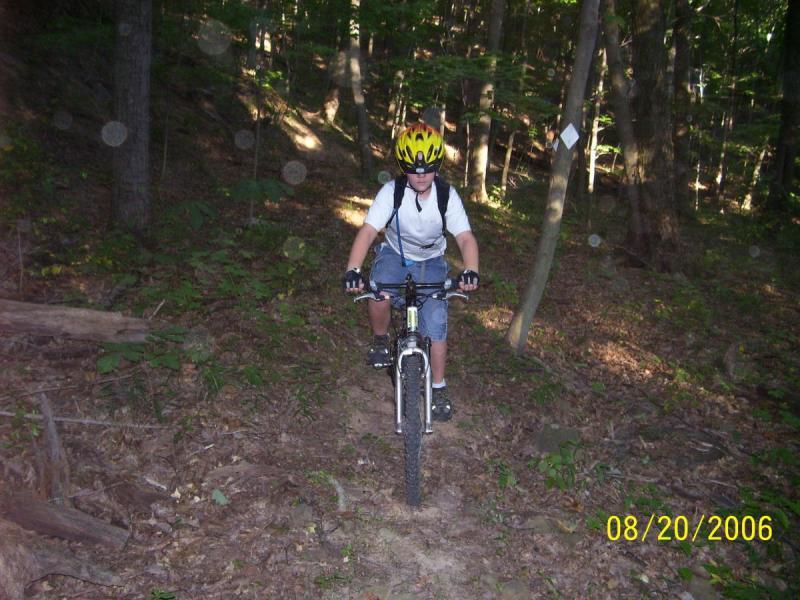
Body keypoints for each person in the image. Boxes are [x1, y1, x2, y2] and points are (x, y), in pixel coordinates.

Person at [343, 123, 480, 422]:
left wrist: (471, 271)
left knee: (435, 325)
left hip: (431, 260)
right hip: (395, 253)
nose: (420, 175)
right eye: (413, 169)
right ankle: (380, 339)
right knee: (378, 291)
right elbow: (368, 232)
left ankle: (439, 387)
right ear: (404, 167)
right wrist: (353, 270)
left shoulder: (446, 195)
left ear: (437, 166)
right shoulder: (391, 192)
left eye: (428, 169)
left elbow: (466, 238)